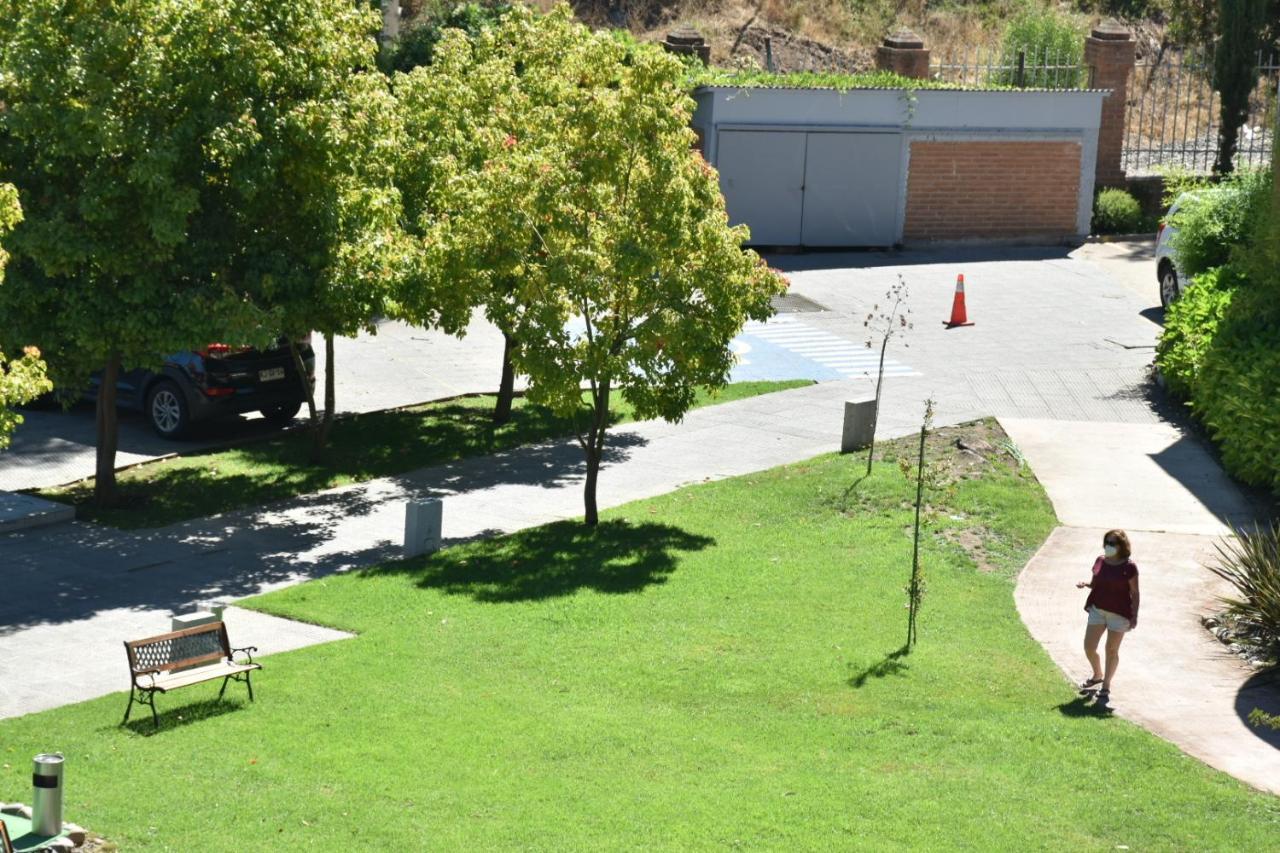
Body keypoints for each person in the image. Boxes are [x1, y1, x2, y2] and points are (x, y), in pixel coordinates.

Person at [1075, 529, 1140, 701]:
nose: (1108, 546)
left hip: (1119, 614)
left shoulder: (1129, 567)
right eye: (1106, 543)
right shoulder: (1100, 561)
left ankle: (1106, 685)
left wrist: (1134, 616)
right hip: (1098, 610)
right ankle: (1097, 675)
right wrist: (1086, 584)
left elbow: (1135, 592)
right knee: (1089, 647)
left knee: (1111, 650)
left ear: (1122, 546)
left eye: (1112, 543)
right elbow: (1095, 583)